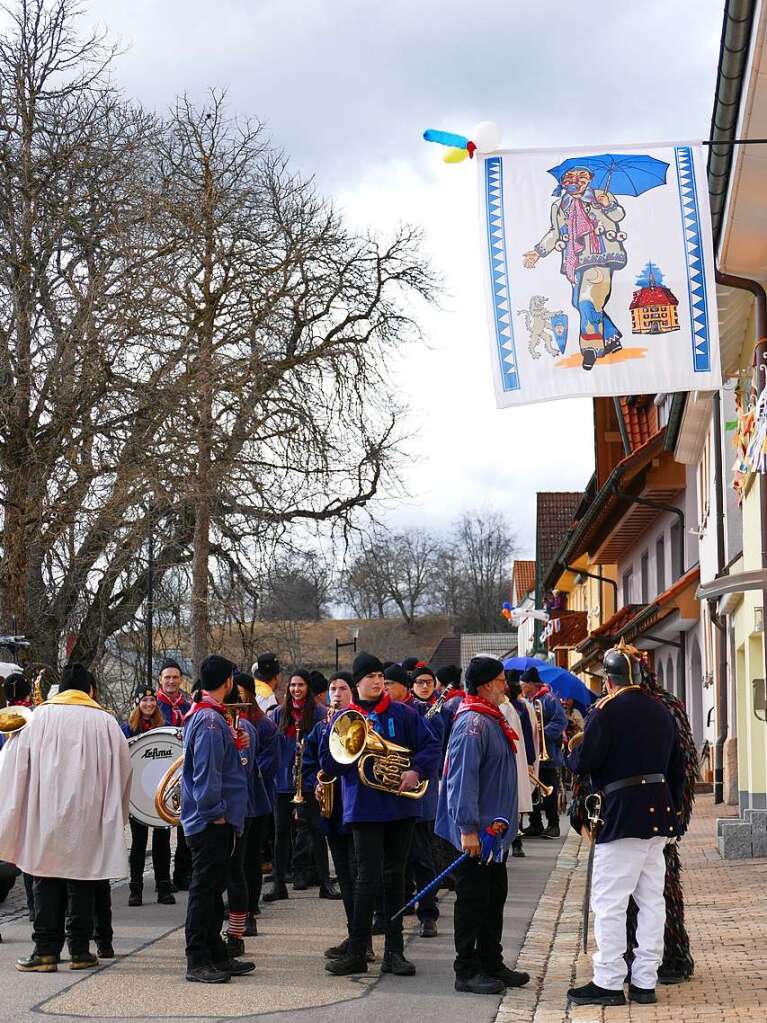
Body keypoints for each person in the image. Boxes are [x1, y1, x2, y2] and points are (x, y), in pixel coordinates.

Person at [565, 645, 686, 1008]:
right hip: (659, 813)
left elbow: (586, 762)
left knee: (610, 903)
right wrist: (675, 812)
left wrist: (572, 754)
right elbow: (676, 767)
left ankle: (609, 980)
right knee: (652, 900)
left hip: (621, 814)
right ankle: (645, 981)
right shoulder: (663, 710)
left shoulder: (605, 710)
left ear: (609, 680)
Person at [0, 662, 131, 973]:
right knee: (83, 881)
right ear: (89, 689)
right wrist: (116, 814)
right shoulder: (106, 723)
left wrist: (13, 812)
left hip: (43, 815)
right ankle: (80, 950)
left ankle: (45, 950)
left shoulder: (36, 718)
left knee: (45, 879)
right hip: (88, 817)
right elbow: (124, 771)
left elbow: (11, 767)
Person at [320, 652, 441, 977]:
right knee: (365, 880)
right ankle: (358, 951)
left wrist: (415, 771)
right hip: (363, 809)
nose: (377, 681)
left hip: (401, 808)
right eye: (370, 677)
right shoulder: (345, 718)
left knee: (395, 878)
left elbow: (431, 747)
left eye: (380, 676)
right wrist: (345, 751)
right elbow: (328, 764)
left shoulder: (404, 713)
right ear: (357, 683)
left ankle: (394, 952)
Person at [436, 656, 530, 995]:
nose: (507, 685)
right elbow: (462, 780)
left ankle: (491, 961)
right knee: (474, 900)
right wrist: (467, 828)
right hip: (478, 833)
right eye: (502, 679)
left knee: (494, 896)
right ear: (487, 683)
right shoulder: (472, 722)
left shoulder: (491, 717)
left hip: (496, 834)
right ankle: (467, 969)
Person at [181, 655, 253, 984]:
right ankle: (197, 959)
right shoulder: (210, 720)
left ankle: (215, 953)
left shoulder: (211, 716)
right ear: (227, 682)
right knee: (204, 891)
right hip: (212, 821)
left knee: (212, 892)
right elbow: (206, 775)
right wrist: (217, 813)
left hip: (218, 819)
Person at [303, 671, 371, 962]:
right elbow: (308, 763)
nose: (337, 693)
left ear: (352, 692)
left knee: (359, 876)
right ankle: (354, 934)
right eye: (333, 688)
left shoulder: (363, 724)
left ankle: (363, 939)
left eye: (343, 688)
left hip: (357, 809)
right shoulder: (321, 728)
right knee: (344, 875)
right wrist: (314, 784)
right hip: (332, 810)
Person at [263, 669, 338, 901]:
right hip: (284, 782)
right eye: (293, 685)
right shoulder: (278, 714)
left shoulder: (320, 713)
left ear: (308, 688)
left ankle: (326, 883)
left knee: (317, 830)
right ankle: (278, 884)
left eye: (301, 685)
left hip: (309, 781)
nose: (296, 689)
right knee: (281, 833)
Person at [121, 685, 176, 907]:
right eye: (144, 701)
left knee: (162, 842)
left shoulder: (164, 727)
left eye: (152, 701)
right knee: (138, 842)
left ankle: (164, 887)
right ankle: (136, 889)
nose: (149, 704)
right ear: (137, 703)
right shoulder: (127, 729)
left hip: (160, 791)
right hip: (137, 792)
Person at [402, 664, 443, 938]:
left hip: (422, 794)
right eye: (420, 682)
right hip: (392, 798)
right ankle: (400, 903)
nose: (424, 687)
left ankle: (428, 913)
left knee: (422, 857)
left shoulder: (434, 714)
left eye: (429, 682)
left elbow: (437, 749)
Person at [234, 671, 276, 931]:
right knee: (238, 858)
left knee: (252, 857)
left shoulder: (264, 726)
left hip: (257, 800)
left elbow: (268, 765)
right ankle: (241, 903)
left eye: (240, 694)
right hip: (239, 801)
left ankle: (250, 907)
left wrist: (244, 770)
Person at [156, 657, 193, 891]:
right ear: (160, 680)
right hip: (159, 771)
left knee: (184, 825)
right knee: (160, 827)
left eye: (175, 677)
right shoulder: (153, 704)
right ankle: (162, 878)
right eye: (167, 677)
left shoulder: (187, 705)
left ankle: (182, 873)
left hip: (182, 771)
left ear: (181, 680)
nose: (171, 681)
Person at [520, 666, 566, 839]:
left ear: (532, 684)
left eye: (523, 684)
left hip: (548, 754)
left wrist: (541, 734)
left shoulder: (549, 699)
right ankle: (536, 823)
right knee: (532, 789)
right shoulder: (528, 701)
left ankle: (554, 825)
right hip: (533, 754)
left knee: (549, 790)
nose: (521, 687)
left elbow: (560, 721)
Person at [506, 675, 536, 858]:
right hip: (507, 758)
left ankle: (517, 841)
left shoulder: (519, 708)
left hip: (518, 757)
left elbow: (526, 736)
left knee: (516, 798)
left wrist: (530, 760)